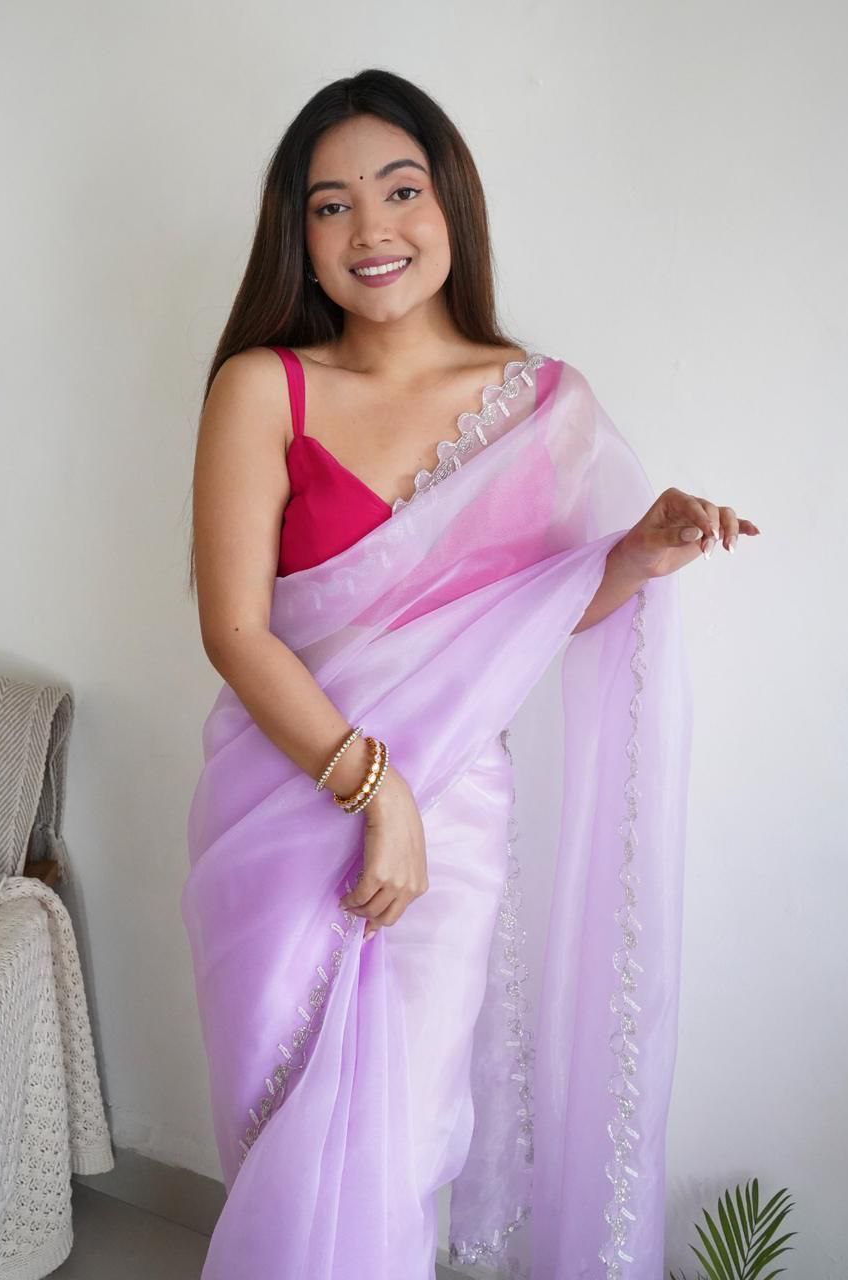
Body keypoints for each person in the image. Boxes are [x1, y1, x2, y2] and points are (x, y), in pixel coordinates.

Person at [181, 68, 759, 1280]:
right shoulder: (264, 386)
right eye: (330, 205)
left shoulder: (542, 407)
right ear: (299, 235)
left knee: (393, 1148)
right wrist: (372, 788)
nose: (371, 228)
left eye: (400, 189)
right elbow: (236, 630)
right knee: (282, 1136)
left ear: (452, 200)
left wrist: (637, 552)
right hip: (279, 808)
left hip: (448, 820)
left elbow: (532, 616)